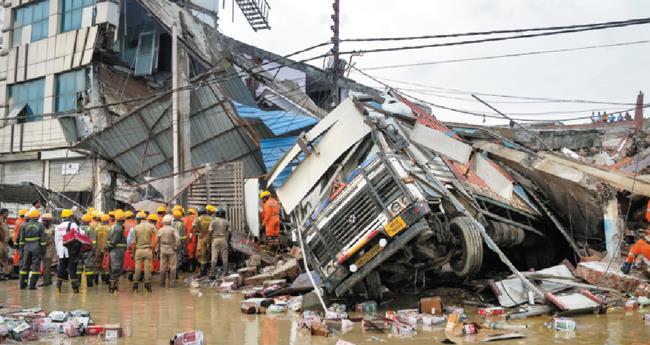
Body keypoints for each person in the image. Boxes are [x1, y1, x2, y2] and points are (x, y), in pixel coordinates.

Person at [54, 209, 82, 293]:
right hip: (71, 250)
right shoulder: (73, 225)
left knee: (61, 268)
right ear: (70, 217)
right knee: (72, 268)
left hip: (61, 251)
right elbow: (81, 234)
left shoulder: (57, 227)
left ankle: (58, 287)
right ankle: (75, 289)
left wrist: (58, 252)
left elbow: (56, 241)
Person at [18, 209, 46, 290]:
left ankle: (22, 285)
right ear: (38, 216)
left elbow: (21, 240)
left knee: (24, 266)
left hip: (26, 247)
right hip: (36, 247)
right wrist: (43, 251)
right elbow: (43, 240)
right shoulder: (41, 226)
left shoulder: (23, 225)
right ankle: (32, 286)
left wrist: (21, 250)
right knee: (35, 266)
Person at [132, 213, 157, 292]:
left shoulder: (136, 228)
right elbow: (158, 236)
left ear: (138, 219)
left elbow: (133, 242)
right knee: (147, 269)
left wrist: (133, 253)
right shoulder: (151, 226)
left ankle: (135, 287)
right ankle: (147, 287)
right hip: (148, 250)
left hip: (138, 250)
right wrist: (153, 246)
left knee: (137, 269)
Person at [106, 209, 127, 293]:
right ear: (121, 219)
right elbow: (114, 241)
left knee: (114, 269)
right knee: (116, 269)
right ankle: (112, 288)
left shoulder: (114, 227)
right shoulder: (118, 228)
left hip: (115, 251)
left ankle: (113, 287)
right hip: (117, 252)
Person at [157, 214, 179, 288]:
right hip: (171, 249)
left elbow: (157, 241)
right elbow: (178, 239)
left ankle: (161, 283)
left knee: (162, 266)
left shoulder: (160, 230)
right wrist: (176, 246)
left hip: (163, 249)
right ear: (171, 222)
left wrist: (157, 249)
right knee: (173, 266)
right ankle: (172, 283)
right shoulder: (173, 229)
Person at [208, 208, 231, 280]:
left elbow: (210, 232)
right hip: (224, 240)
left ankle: (212, 274)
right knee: (225, 258)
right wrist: (228, 240)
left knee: (214, 258)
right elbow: (230, 232)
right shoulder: (226, 222)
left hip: (215, 240)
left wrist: (209, 240)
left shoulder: (213, 221)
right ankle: (225, 273)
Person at [192, 206, 213, 278]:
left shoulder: (199, 218)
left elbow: (194, 225)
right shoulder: (211, 218)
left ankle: (203, 271)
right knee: (209, 254)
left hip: (202, 238)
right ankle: (209, 270)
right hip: (210, 238)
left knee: (202, 255)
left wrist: (198, 232)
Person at [79, 213, 96, 287]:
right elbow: (93, 242)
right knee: (89, 267)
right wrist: (94, 251)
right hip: (89, 250)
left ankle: (77, 283)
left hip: (79, 250)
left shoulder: (78, 228)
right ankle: (89, 284)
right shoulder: (91, 229)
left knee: (79, 267)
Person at [38, 213, 55, 287]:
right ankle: (49, 280)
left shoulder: (53, 229)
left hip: (49, 248)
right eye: (43, 221)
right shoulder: (41, 228)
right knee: (46, 265)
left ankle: (46, 281)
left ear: (49, 221)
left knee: (46, 265)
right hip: (42, 248)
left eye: (46, 221)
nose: (44, 222)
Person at [95, 214, 111, 285]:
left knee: (97, 262)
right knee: (107, 263)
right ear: (108, 220)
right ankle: (106, 278)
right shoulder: (110, 228)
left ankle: (96, 278)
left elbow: (94, 239)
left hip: (98, 248)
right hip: (106, 248)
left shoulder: (97, 228)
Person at [171, 209, 186, 278]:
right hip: (178, 243)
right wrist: (183, 245)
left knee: (171, 258)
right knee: (177, 258)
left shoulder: (171, 223)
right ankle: (176, 274)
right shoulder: (181, 224)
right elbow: (183, 236)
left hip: (171, 243)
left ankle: (171, 273)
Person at [12, 209, 27, 274]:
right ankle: (17, 270)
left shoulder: (17, 221)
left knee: (16, 255)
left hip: (16, 241)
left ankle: (16, 269)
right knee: (20, 256)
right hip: (20, 241)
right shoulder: (23, 223)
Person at [183, 208, 198, 272]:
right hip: (197, 237)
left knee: (190, 252)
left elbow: (184, 228)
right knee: (196, 252)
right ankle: (195, 267)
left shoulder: (186, 218)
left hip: (189, 238)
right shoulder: (197, 218)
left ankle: (190, 268)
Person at [0, 208, 11, 280]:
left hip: (5, 243)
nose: (8, 215)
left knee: (5, 259)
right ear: (3, 213)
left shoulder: (4, 221)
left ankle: (4, 274)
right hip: (1, 242)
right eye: (7, 213)